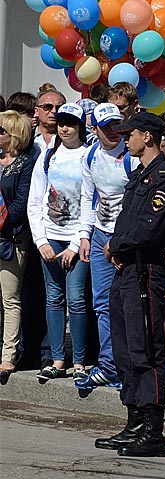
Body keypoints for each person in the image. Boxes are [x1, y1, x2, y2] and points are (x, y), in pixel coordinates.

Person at [94, 112, 165, 457]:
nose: (124, 139)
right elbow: (128, 220)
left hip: (146, 270)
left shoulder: (162, 177)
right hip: (127, 269)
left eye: (130, 134)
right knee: (127, 348)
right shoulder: (140, 175)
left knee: (147, 347)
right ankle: (134, 421)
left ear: (147, 137)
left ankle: (152, 429)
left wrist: (116, 245)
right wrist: (118, 246)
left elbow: (150, 229)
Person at [76, 103, 140, 390]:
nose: (114, 131)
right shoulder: (90, 156)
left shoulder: (132, 157)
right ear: (95, 129)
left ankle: (129, 365)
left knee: (130, 304)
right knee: (102, 303)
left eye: (117, 124)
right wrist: (85, 236)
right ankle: (108, 364)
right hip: (101, 235)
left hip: (125, 240)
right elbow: (88, 198)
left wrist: (122, 242)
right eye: (106, 127)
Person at [26, 103, 89, 385]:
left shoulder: (88, 155)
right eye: (61, 122)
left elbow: (91, 201)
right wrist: (41, 240)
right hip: (50, 235)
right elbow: (35, 200)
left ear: (80, 126)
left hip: (77, 237)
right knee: (54, 298)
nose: (64, 128)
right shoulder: (48, 156)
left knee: (76, 299)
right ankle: (57, 359)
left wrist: (76, 244)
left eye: (71, 123)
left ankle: (79, 361)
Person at [0, 111, 36, 384]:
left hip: (11, 239)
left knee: (10, 299)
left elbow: (20, 206)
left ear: (13, 135)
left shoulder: (25, 164)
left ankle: (8, 355)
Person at [33, 88, 66, 153]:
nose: (54, 111)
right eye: (48, 107)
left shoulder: (71, 138)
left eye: (58, 107)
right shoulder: (26, 137)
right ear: (36, 111)